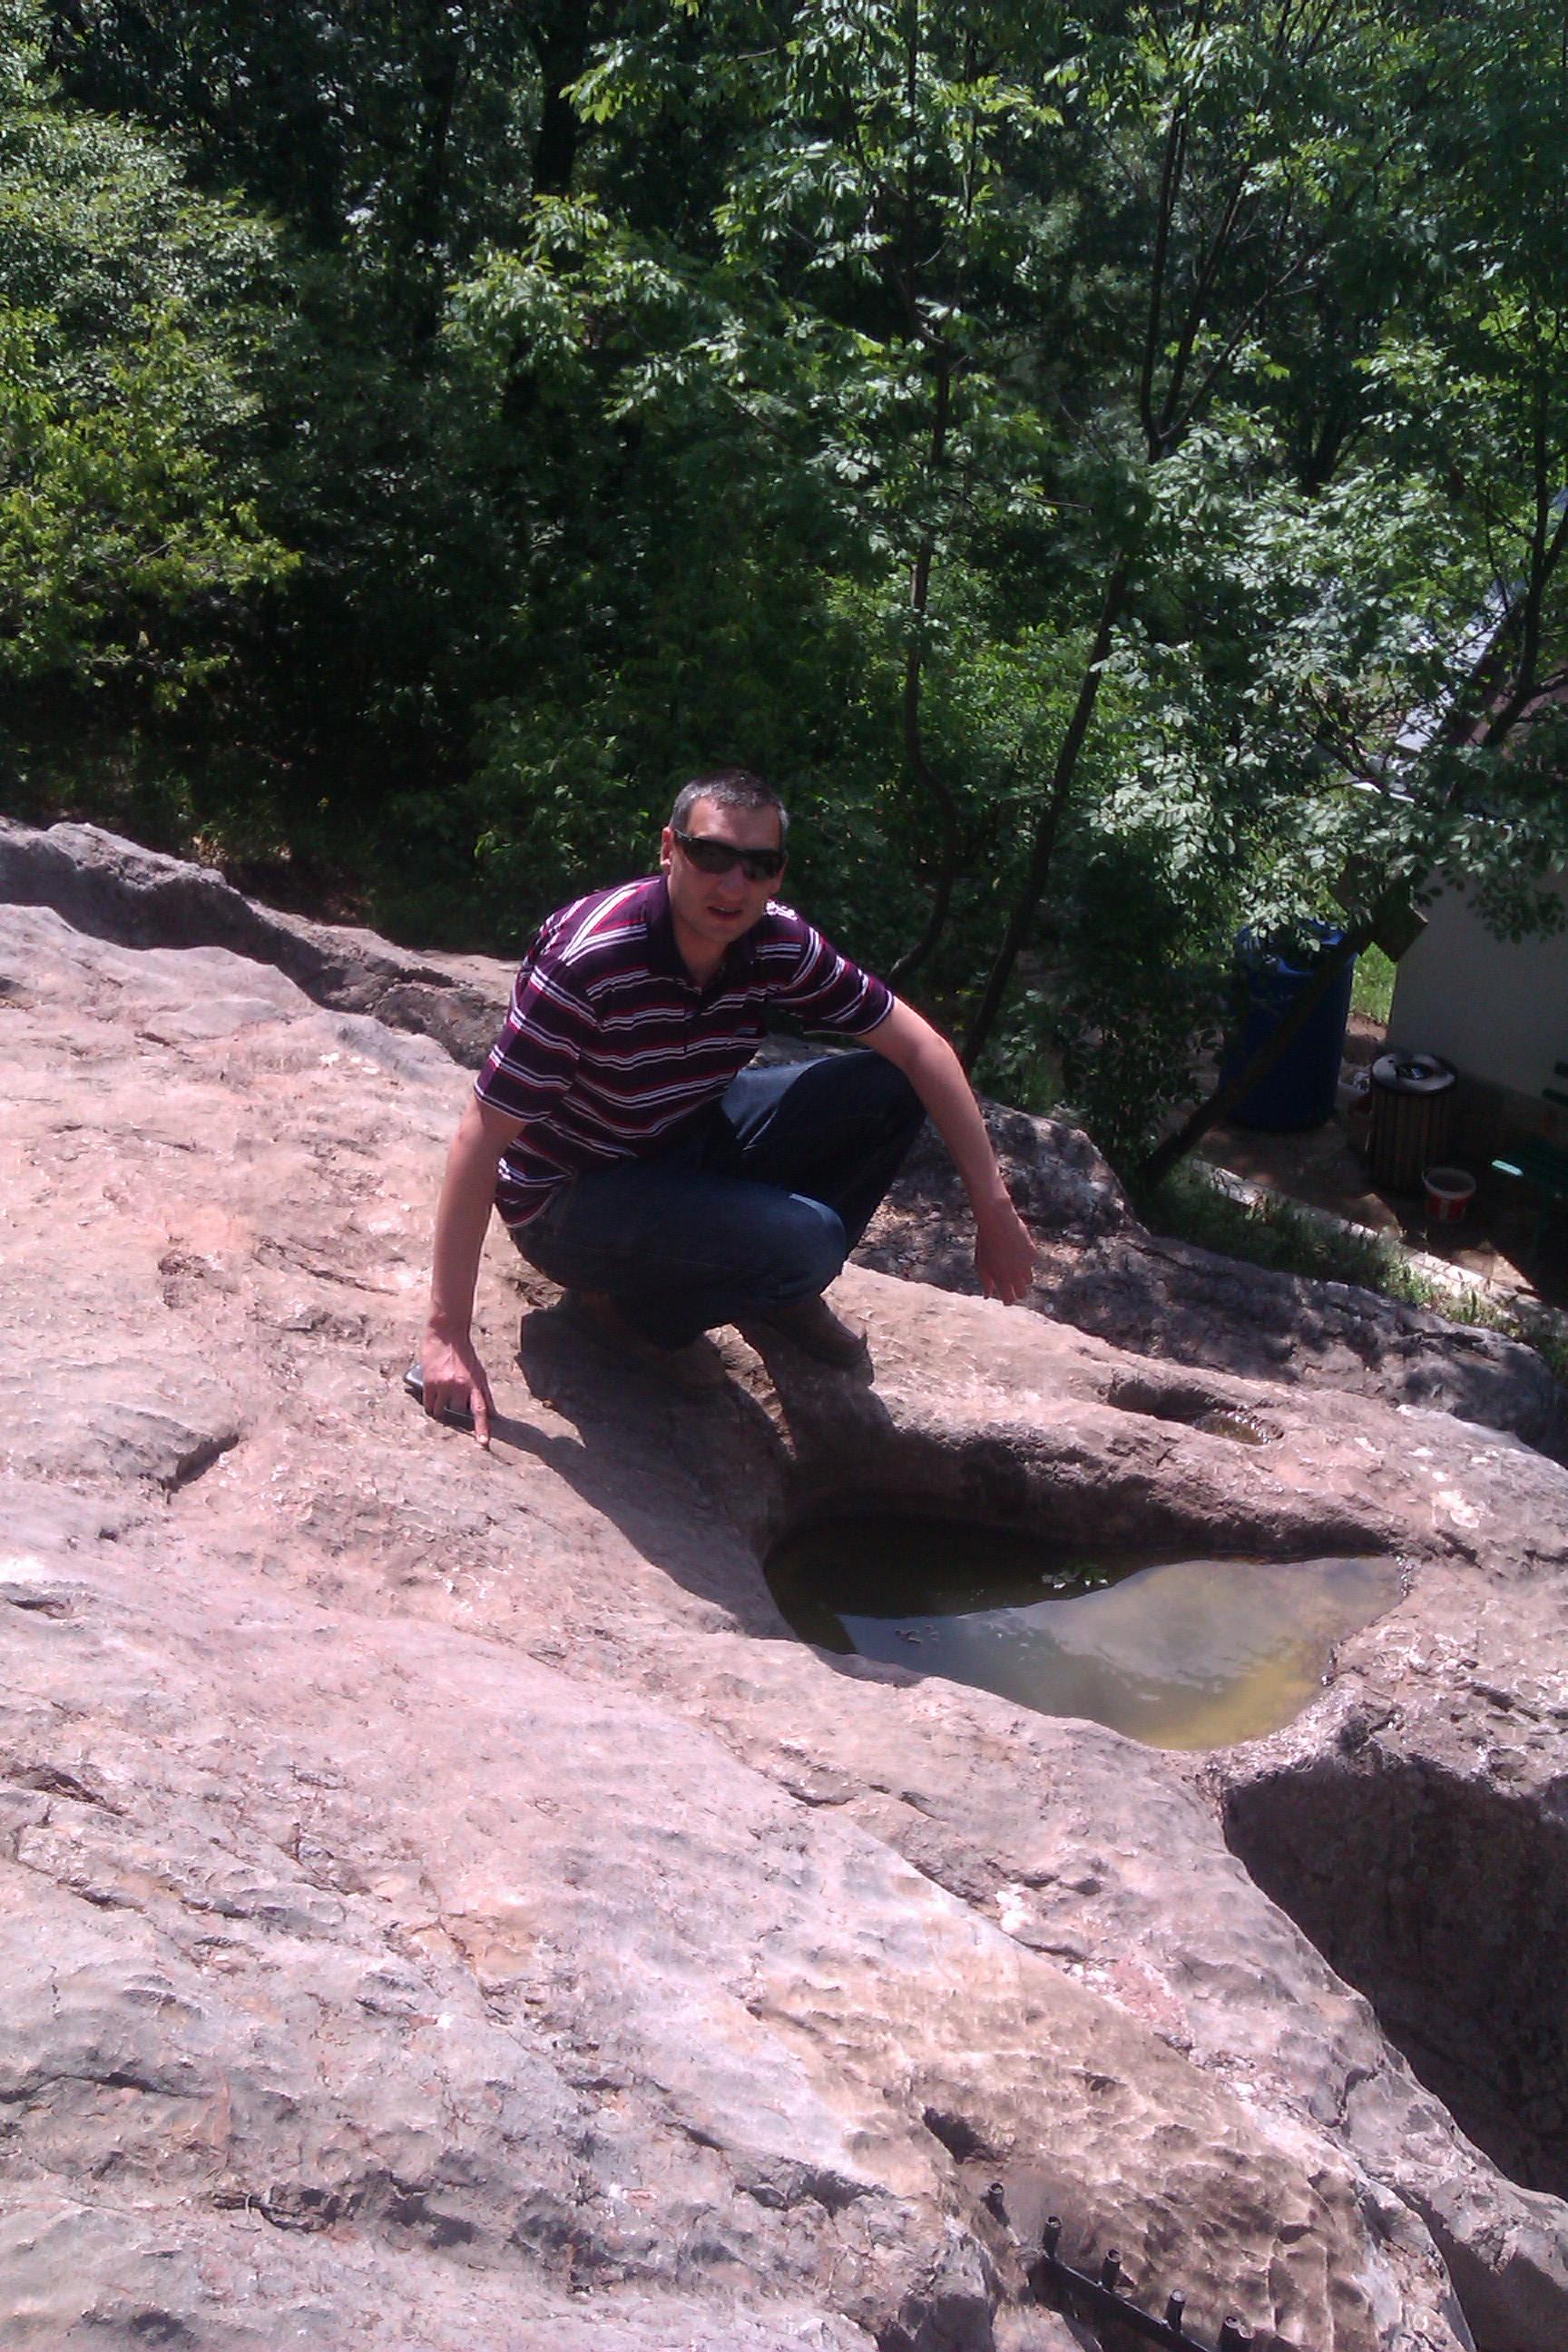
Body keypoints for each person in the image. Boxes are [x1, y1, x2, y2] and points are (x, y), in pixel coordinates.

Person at [419, 769, 1037, 1445]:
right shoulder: (592, 960)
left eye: (757, 865)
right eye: (711, 855)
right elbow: (481, 1135)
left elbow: (922, 1048)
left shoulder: (776, 943)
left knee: (889, 1085)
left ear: (778, 876)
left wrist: (993, 1208)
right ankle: (632, 1317)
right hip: (571, 1198)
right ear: (669, 849)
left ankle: (776, 1288)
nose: (733, 886)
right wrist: (447, 1334)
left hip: (682, 1136)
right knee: (808, 1242)